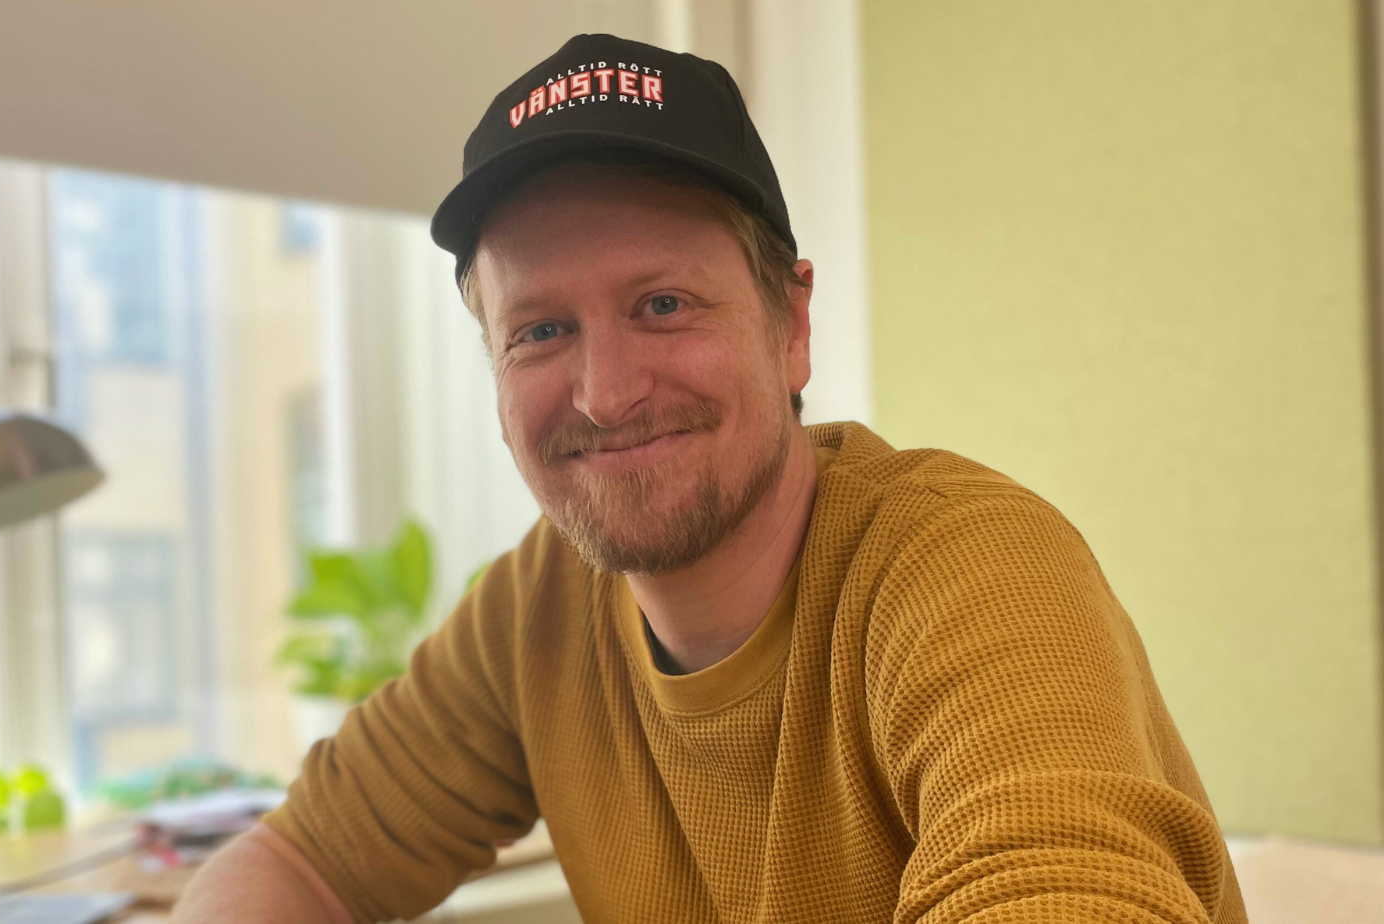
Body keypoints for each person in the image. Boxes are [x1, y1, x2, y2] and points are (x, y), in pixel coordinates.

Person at [174, 33, 1248, 924]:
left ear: (790, 326)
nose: (605, 393)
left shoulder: (968, 566)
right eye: (540, 330)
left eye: (662, 306)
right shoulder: (536, 613)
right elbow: (299, 863)